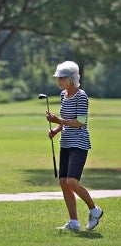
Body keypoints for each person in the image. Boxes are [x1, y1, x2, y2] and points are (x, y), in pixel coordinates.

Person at [46, 61, 103, 231]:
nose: (59, 81)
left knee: (72, 180)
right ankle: (74, 222)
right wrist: (56, 129)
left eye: (61, 78)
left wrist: (58, 120)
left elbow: (80, 122)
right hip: (66, 143)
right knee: (63, 182)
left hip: (79, 143)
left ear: (71, 79)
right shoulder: (64, 95)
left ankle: (94, 210)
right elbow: (65, 121)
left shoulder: (81, 96)